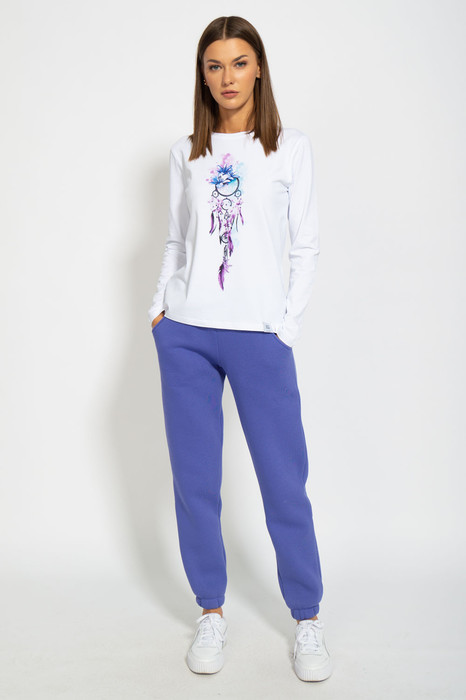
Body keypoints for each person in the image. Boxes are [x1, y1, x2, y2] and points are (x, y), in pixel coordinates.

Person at [147, 15, 332, 683]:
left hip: (259, 337)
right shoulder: (187, 154)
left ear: (259, 68)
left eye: (239, 62)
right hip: (187, 335)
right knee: (196, 484)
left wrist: (286, 327)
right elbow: (177, 240)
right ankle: (211, 611)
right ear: (203, 75)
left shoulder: (288, 148)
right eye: (214, 65)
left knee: (284, 482)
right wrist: (159, 311)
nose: (227, 77)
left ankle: (307, 618)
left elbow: (306, 244)